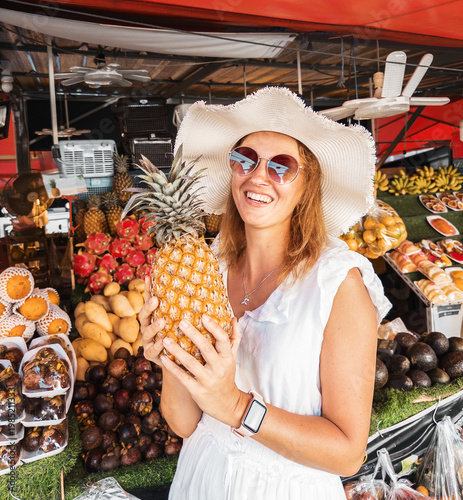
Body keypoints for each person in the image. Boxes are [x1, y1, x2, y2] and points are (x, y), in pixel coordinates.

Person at [139, 86, 391, 499]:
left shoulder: (338, 284)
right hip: (200, 478)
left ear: (307, 185)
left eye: (282, 166)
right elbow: (184, 423)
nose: (258, 175)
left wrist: (237, 407)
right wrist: (170, 359)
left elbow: (348, 453)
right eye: (246, 159)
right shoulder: (207, 267)